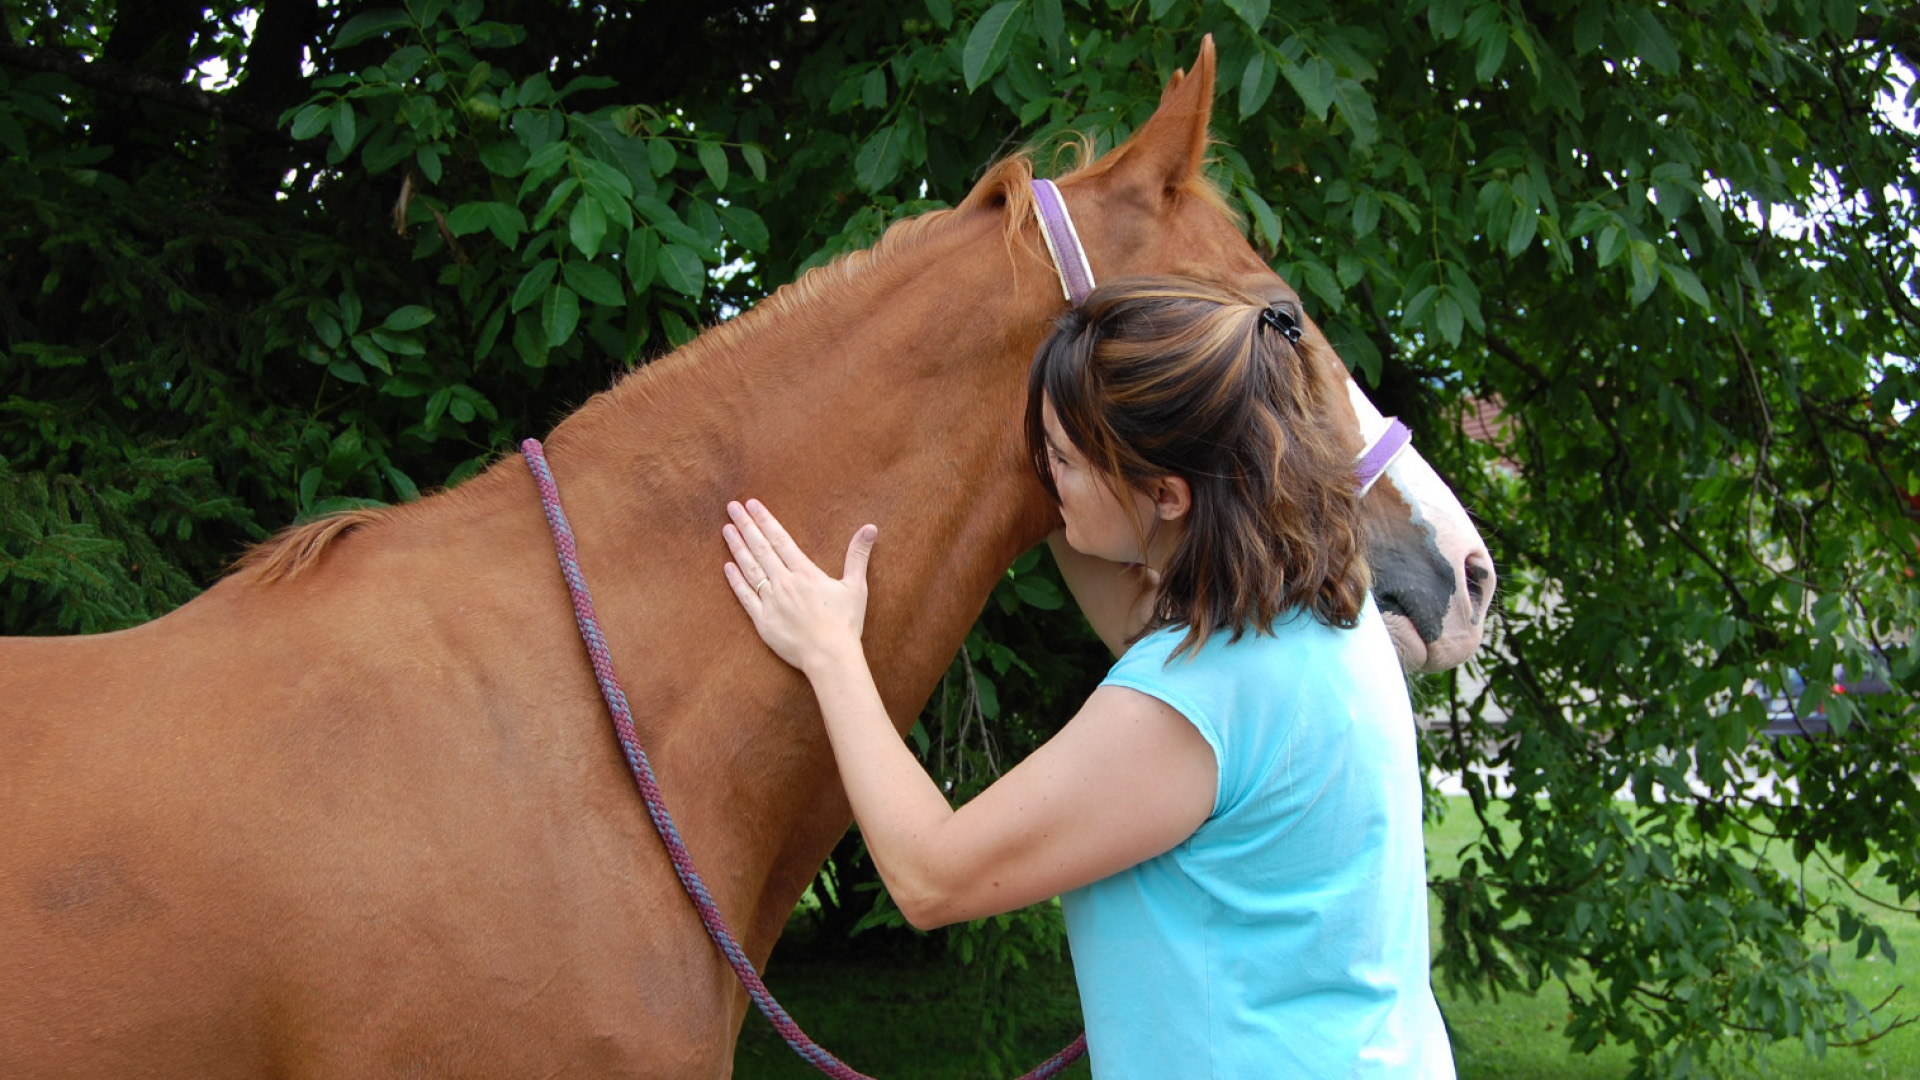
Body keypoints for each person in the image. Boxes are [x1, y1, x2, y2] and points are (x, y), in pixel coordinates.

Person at [719, 276, 1455, 1077]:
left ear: (1168, 494)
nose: (1045, 474)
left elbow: (930, 875)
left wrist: (830, 649)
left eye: (1065, 459)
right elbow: (1139, 615)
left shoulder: (1195, 699)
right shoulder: (1322, 620)